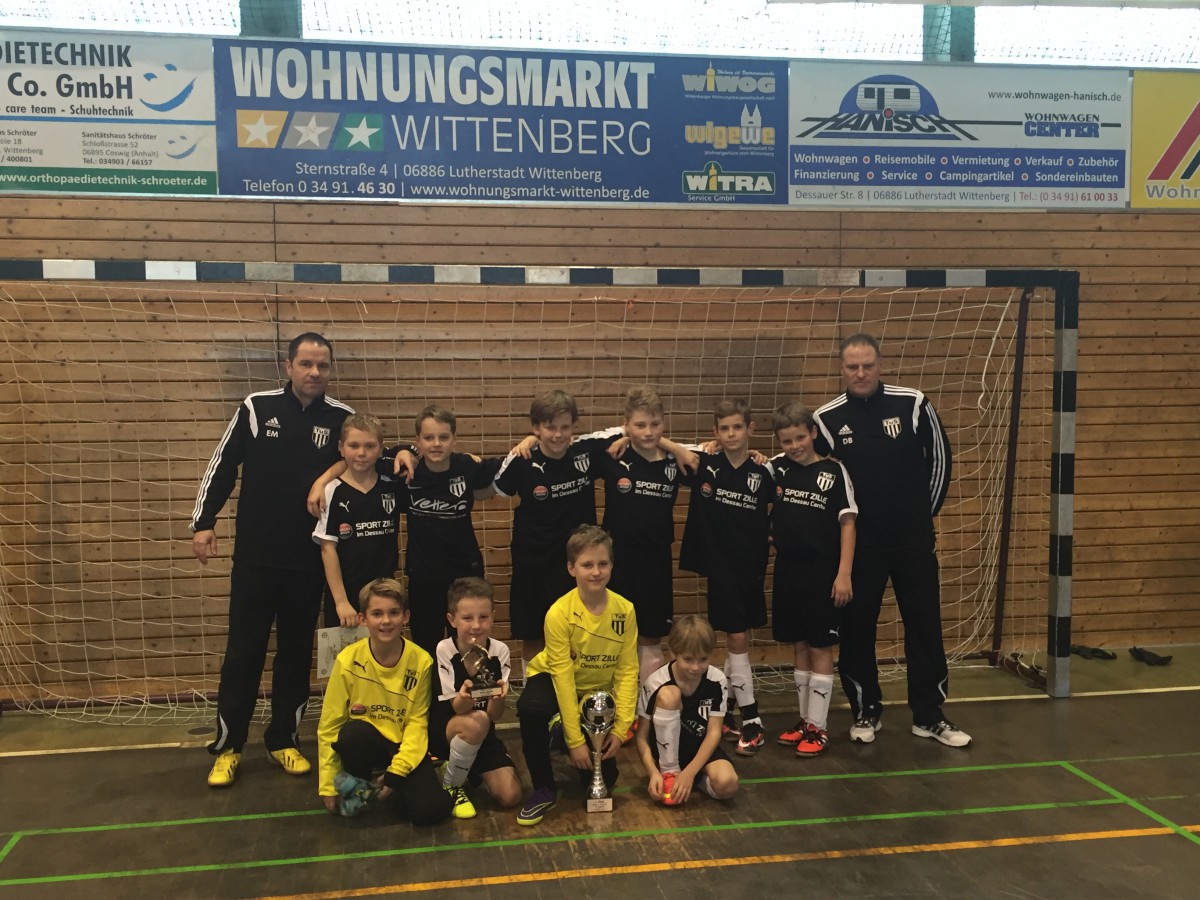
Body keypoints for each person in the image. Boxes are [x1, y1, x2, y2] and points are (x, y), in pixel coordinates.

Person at [191, 332, 353, 788]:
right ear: (288, 366)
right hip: (256, 561)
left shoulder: (341, 417)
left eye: (322, 365)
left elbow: (363, 454)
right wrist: (204, 521)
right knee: (243, 655)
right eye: (306, 364)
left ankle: (283, 740)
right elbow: (224, 463)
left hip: (309, 562)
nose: (314, 372)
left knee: (296, 655)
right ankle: (228, 747)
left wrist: (325, 477)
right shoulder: (257, 407)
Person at [813, 333, 970, 748]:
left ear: (880, 366)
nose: (861, 373)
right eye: (852, 367)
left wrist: (920, 518)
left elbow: (940, 460)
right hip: (860, 547)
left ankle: (929, 715)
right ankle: (866, 709)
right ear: (841, 370)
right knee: (857, 630)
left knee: (924, 626)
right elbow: (805, 464)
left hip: (912, 542)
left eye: (868, 365)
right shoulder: (826, 418)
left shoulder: (913, 404)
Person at [514, 525, 639, 826]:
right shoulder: (559, 613)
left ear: (612, 565)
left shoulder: (625, 610)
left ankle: (561, 732)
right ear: (572, 568)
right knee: (531, 709)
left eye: (603, 563)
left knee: (604, 778)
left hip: (596, 692)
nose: (596, 572)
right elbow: (563, 678)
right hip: (554, 679)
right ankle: (544, 788)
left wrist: (621, 730)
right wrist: (575, 741)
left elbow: (627, 671)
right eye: (587, 565)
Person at [494, 390, 622, 665]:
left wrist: (673, 448)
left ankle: (577, 684)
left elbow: (632, 428)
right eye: (550, 427)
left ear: (574, 426)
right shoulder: (522, 460)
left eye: (565, 427)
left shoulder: (586, 451)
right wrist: (527, 443)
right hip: (534, 560)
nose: (558, 435)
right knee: (534, 634)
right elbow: (495, 486)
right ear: (536, 427)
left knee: (578, 630)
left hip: (576, 562)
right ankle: (534, 689)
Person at [678, 399, 774, 756]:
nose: (731, 434)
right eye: (724, 429)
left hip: (751, 566)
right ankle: (750, 718)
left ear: (750, 429)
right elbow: (664, 446)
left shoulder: (764, 470)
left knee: (738, 636)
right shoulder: (705, 463)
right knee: (735, 635)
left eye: (737, 427)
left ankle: (735, 712)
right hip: (720, 567)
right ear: (715, 432)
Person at [315, 578, 452, 825]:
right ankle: (358, 780)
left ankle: (385, 786)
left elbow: (417, 724)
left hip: (403, 745)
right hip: (367, 742)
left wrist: (397, 773)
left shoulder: (422, 661)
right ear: (363, 619)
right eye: (377, 614)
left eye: (393, 613)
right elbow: (329, 725)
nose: (386, 621)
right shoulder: (347, 660)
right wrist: (327, 784)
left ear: (406, 616)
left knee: (431, 810)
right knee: (352, 735)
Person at [769, 401, 857, 757]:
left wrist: (844, 573)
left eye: (800, 438)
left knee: (821, 646)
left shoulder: (834, 471)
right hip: (788, 570)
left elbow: (848, 523)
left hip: (823, 571)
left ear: (813, 433)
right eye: (787, 441)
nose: (794, 446)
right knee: (800, 645)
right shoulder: (777, 469)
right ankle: (805, 720)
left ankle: (819, 728)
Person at [599, 387, 690, 686]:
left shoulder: (675, 461)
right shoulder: (613, 455)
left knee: (651, 634)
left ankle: (649, 701)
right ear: (626, 425)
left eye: (655, 424)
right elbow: (569, 444)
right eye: (639, 425)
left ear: (664, 423)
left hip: (656, 560)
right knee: (616, 633)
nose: (648, 432)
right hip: (619, 560)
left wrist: (673, 447)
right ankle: (617, 701)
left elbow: (711, 455)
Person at [430, 577, 522, 819]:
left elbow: (494, 715)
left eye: (483, 617)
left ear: (493, 617)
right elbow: (458, 708)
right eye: (467, 618)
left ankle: (469, 769)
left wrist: (499, 697)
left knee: (511, 796)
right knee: (476, 721)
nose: (476, 625)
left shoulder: (499, 651)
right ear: (452, 620)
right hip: (446, 732)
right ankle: (451, 784)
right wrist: (466, 695)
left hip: (484, 732)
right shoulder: (444, 649)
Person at [636, 615, 739, 806]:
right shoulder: (656, 682)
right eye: (688, 659)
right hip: (664, 754)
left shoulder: (717, 681)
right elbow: (641, 737)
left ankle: (688, 782)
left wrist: (690, 774)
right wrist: (653, 773)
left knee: (728, 785)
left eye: (703, 659)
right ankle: (669, 773)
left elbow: (714, 732)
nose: (695, 667)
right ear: (673, 652)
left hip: (698, 750)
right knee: (670, 695)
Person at [312, 414, 401, 629]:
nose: (361, 453)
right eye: (354, 446)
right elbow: (327, 549)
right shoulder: (332, 490)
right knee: (345, 651)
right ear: (341, 448)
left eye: (369, 446)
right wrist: (341, 602)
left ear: (380, 449)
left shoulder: (392, 484)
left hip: (385, 593)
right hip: (346, 597)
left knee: (384, 649)